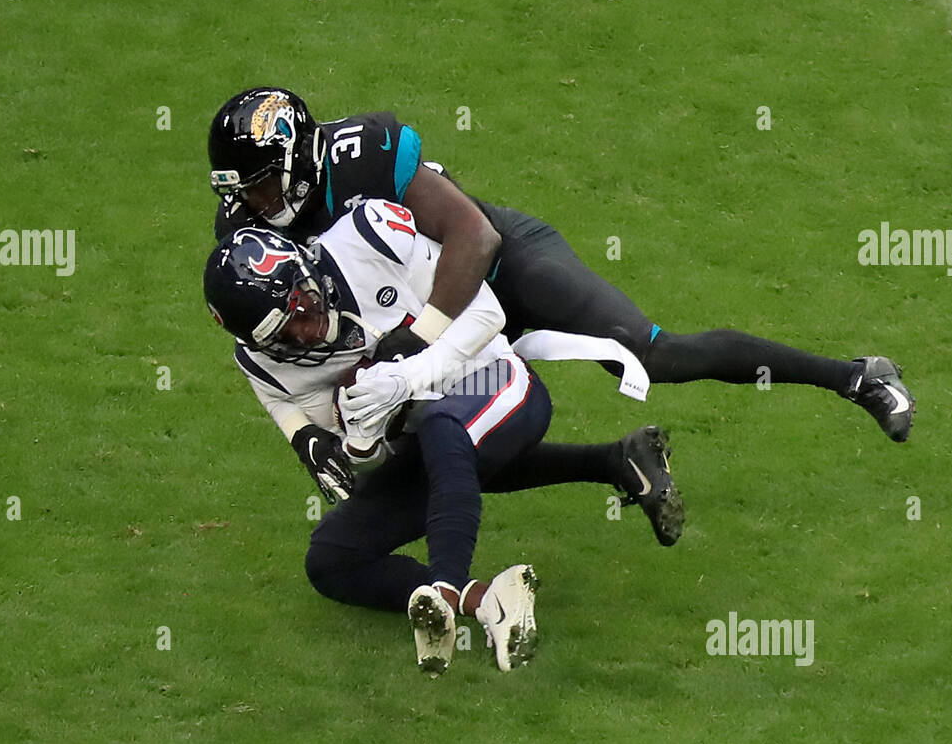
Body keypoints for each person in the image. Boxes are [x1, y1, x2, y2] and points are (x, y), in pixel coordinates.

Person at [206, 87, 917, 447]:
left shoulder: (364, 151)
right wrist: (309, 436)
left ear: (301, 159)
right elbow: (259, 338)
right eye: (243, 190)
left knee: (653, 354)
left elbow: (473, 237)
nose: (253, 202)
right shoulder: (246, 231)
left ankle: (856, 376)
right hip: (411, 304)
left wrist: (416, 344)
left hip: (492, 266)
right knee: (427, 440)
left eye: (263, 183)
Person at [202, 198, 683, 675]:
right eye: (288, 330)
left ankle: (446, 591)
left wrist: (409, 376)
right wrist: (363, 442)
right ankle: (492, 599)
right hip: (433, 436)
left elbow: (486, 314)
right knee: (331, 558)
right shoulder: (264, 367)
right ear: (260, 343)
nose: (309, 328)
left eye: (303, 304)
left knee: (443, 428)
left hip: (497, 377)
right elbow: (360, 475)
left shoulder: (366, 238)